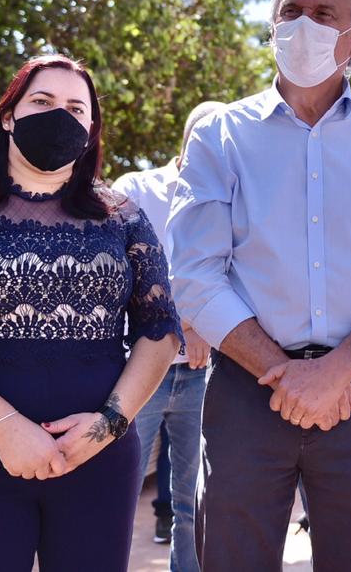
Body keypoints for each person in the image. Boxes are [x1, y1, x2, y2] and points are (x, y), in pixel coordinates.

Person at [167, 0, 351, 572]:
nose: (304, 25)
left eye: (324, 13)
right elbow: (195, 272)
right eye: (291, 10)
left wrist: (336, 370)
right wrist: (283, 374)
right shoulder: (221, 135)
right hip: (246, 391)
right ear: (271, 28)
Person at [0, 54, 183, 571]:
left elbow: (160, 331)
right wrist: (4, 427)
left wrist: (107, 425)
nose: (59, 116)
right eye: (42, 102)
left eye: (75, 107)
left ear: (90, 129)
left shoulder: (125, 217)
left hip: (97, 461)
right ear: (8, 116)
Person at [112, 99, 224, 571]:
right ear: (188, 139)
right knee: (115, 490)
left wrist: (202, 326)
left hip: (204, 373)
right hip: (139, 372)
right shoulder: (134, 190)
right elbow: (119, 275)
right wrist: (187, 323)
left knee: (194, 501)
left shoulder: (230, 198)